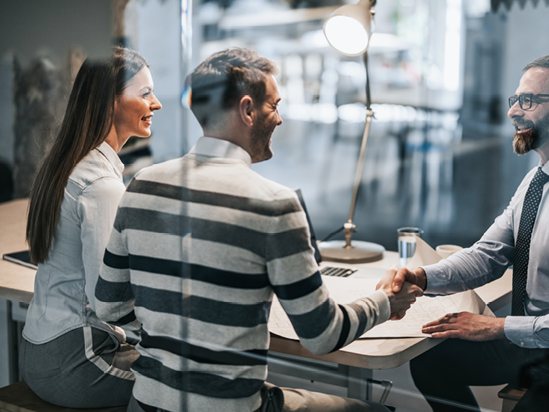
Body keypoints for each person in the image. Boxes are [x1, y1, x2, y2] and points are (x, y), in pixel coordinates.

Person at [94, 47, 422, 412]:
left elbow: (109, 307)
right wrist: (386, 302)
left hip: (147, 402)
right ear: (247, 110)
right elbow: (321, 335)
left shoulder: (141, 184)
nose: (279, 119)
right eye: (274, 106)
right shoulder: (273, 203)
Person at [393, 54, 549, 412]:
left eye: (528, 100)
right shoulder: (537, 180)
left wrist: (496, 327)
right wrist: (421, 278)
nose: (513, 112)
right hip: (536, 345)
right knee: (431, 362)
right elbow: (488, 255)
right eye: (515, 101)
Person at [22, 46, 162, 408]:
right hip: (77, 363)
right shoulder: (101, 186)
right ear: (110, 102)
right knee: (191, 384)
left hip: (41, 352)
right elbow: (108, 303)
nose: (156, 103)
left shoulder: (67, 164)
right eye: (145, 93)